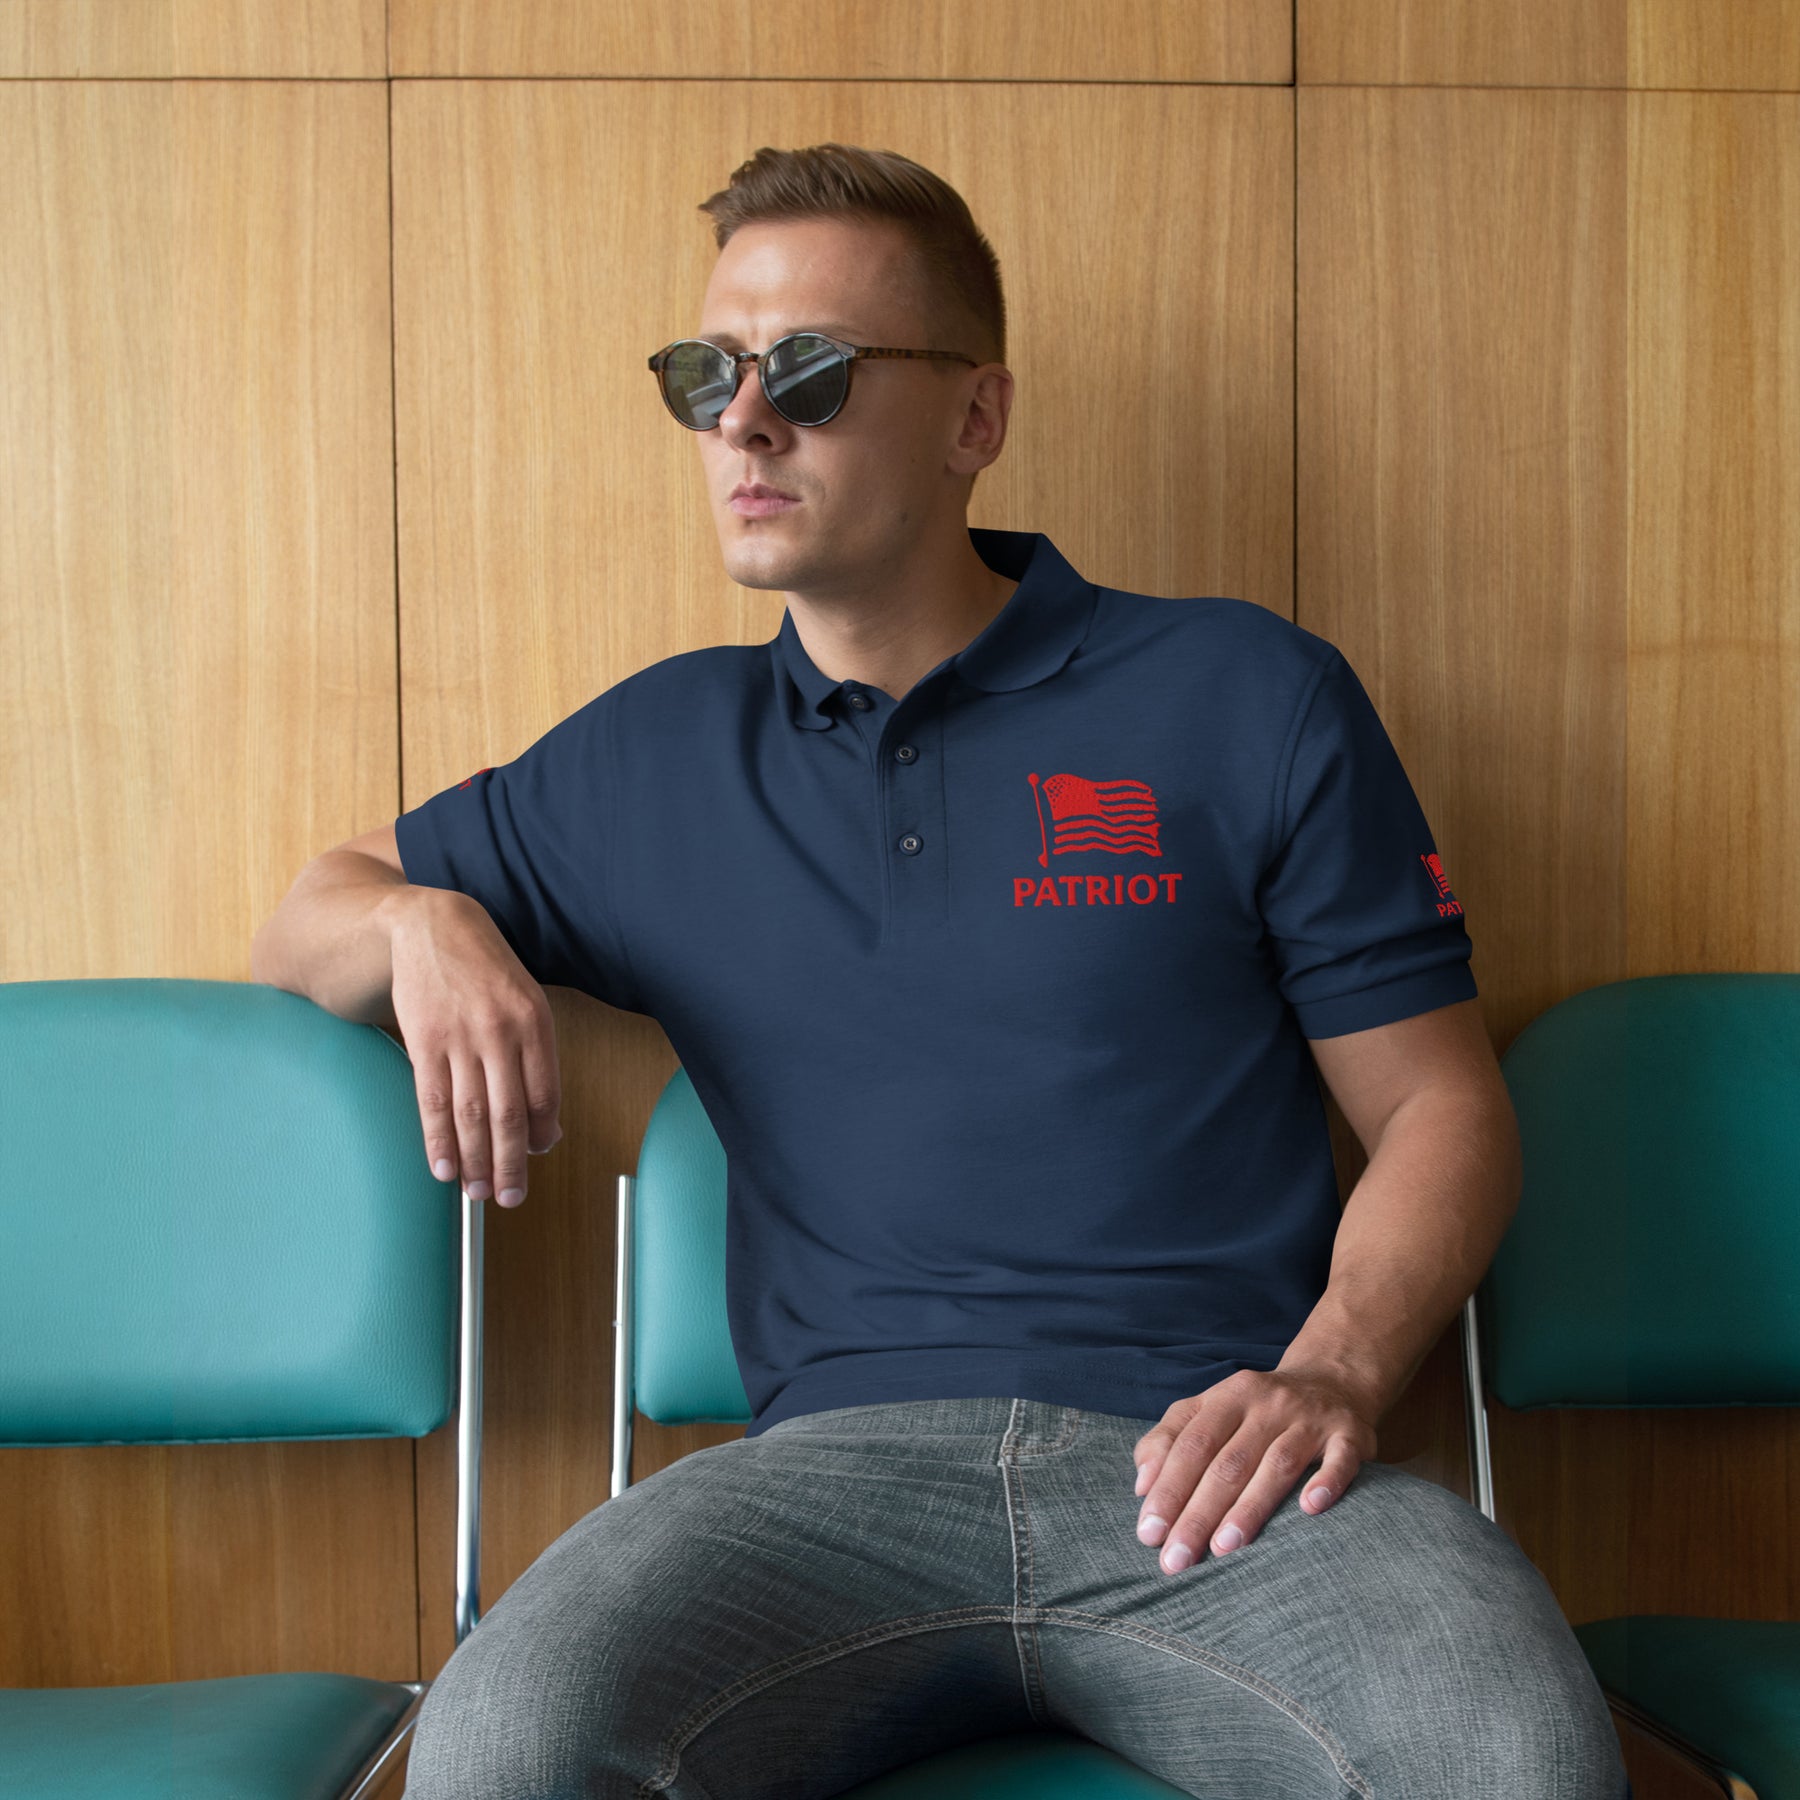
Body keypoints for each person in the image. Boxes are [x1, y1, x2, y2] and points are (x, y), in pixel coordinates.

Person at [254, 143, 1631, 1798]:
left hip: (1221, 1470)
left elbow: (1441, 1111)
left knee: (1517, 1757)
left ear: (977, 417)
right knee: (504, 1750)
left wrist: (1331, 1369)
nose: (744, 423)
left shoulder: (1245, 695)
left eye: (811, 372)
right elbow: (308, 917)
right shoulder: (658, 756)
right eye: (705, 374)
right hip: (822, 1493)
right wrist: (425, 924)